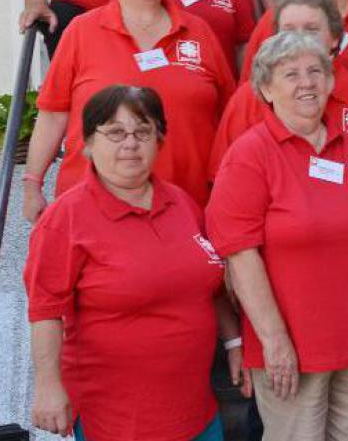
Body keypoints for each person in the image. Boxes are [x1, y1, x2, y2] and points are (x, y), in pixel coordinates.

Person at [23, 85, 241, 441]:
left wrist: (233, 341)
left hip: (195, 409)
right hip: (118, 417)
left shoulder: (182, 204)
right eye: (115, 132)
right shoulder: (66, 218)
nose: (130, 143)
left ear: (159, 141)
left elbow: (209, 287)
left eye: (143, 131)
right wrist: (47, 386)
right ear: (88, 143)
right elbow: (44, 309)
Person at [206, 31, 348, 441]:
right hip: (291, 350)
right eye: (290, 74)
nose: (306, 82)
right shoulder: (250, 155)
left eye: (315, 72)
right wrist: (273, 340)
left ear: (330, 81)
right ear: (266, 90)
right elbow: (240, 256)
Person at [22, 0, 235, 220]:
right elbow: (53, 115)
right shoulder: (82, 32)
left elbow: (228, 118)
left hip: (186, 209)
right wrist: (32, 185)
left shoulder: (199, 32)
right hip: (93, 211)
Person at [209, 0, 348, 174]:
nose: (300, 39)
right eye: (289, 30)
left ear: (335, 38)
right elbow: (223, 177)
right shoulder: (250, 97)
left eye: (311, 29)